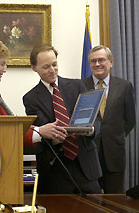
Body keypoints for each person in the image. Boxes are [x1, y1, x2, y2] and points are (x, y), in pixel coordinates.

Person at [23, 43, 102, 194]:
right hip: (56, 169)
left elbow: (97, 121)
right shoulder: (31, 98)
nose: (52, 70)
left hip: (85, 165)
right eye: (46, 67)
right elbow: (42, 130)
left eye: (54, 64)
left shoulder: (78, 86)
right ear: (34, 68)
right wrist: (56, 136)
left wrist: (89, 130)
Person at [0, 38, 67, 148]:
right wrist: (40, 131)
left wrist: (38, 130)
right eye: (2, 64)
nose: (4, 69)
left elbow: (6, 124)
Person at [82, 45, 136, 193]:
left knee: (115, 200)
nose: (97, 64)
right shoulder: (80, 86)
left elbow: (130, 120)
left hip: (114, 153)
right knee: (90, 201)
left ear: (111, 62)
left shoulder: (124, 86)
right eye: (93, 61)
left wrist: (115, 135)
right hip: (88, 153)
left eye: (101, 60)